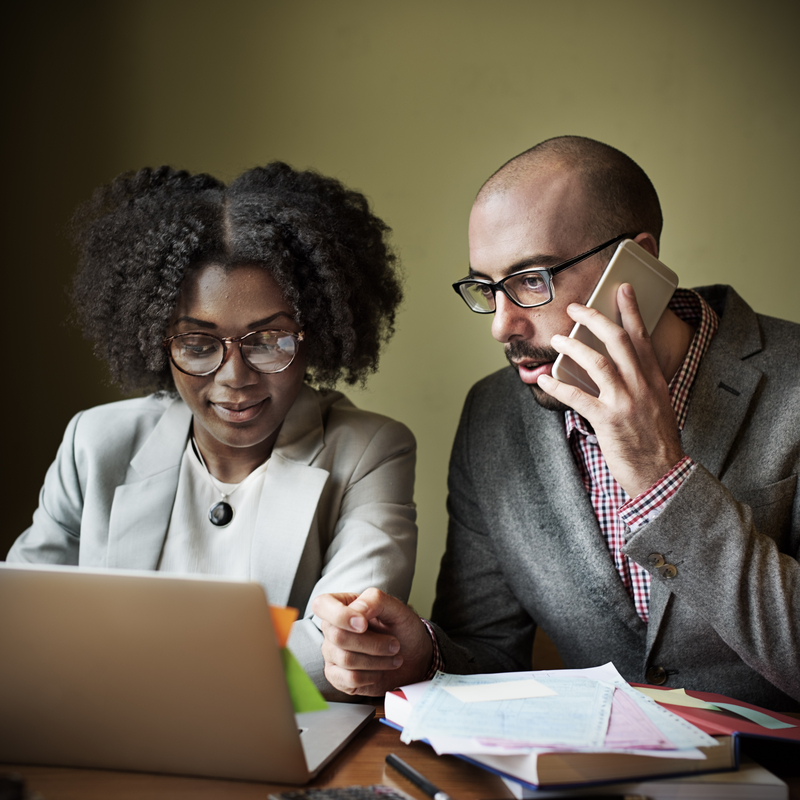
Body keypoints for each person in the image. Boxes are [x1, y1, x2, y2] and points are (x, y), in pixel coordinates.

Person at [312, 136, 800, 711]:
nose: (502, 325)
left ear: (638, 262)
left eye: (530, 280)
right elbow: (490, 652)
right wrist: (421, 656)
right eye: (488, 289)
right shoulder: (494, 417)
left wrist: (659, 476)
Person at [7, 162, 417, 699]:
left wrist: (121, 673)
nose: (235, 377)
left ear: (313, 335)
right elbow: (21, 621)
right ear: (158, 341)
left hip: (286, 747)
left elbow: (341, 652)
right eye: (198, 344)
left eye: (268, 339)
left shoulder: (370, 451)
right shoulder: (94, 443)